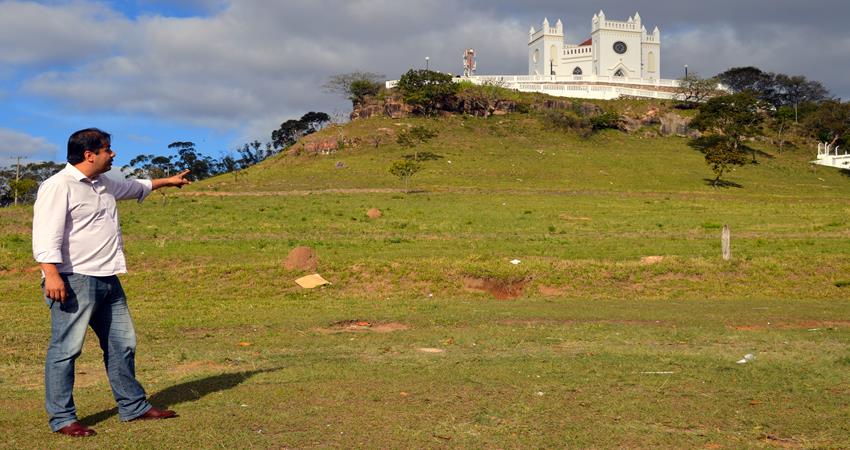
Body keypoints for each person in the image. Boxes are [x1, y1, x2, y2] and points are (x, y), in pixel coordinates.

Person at [32, 128, 191, 437]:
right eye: (107, 149)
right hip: (72, 278)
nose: (113, 153)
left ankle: (133, 407)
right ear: (89, 154)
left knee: (123, 344)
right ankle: (63, 418)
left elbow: (134, 186)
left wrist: (167, 182)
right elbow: (44, 233)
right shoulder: (57, 186)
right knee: (66, 350)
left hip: (108, 278)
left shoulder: (103, 184)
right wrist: (51, 273)